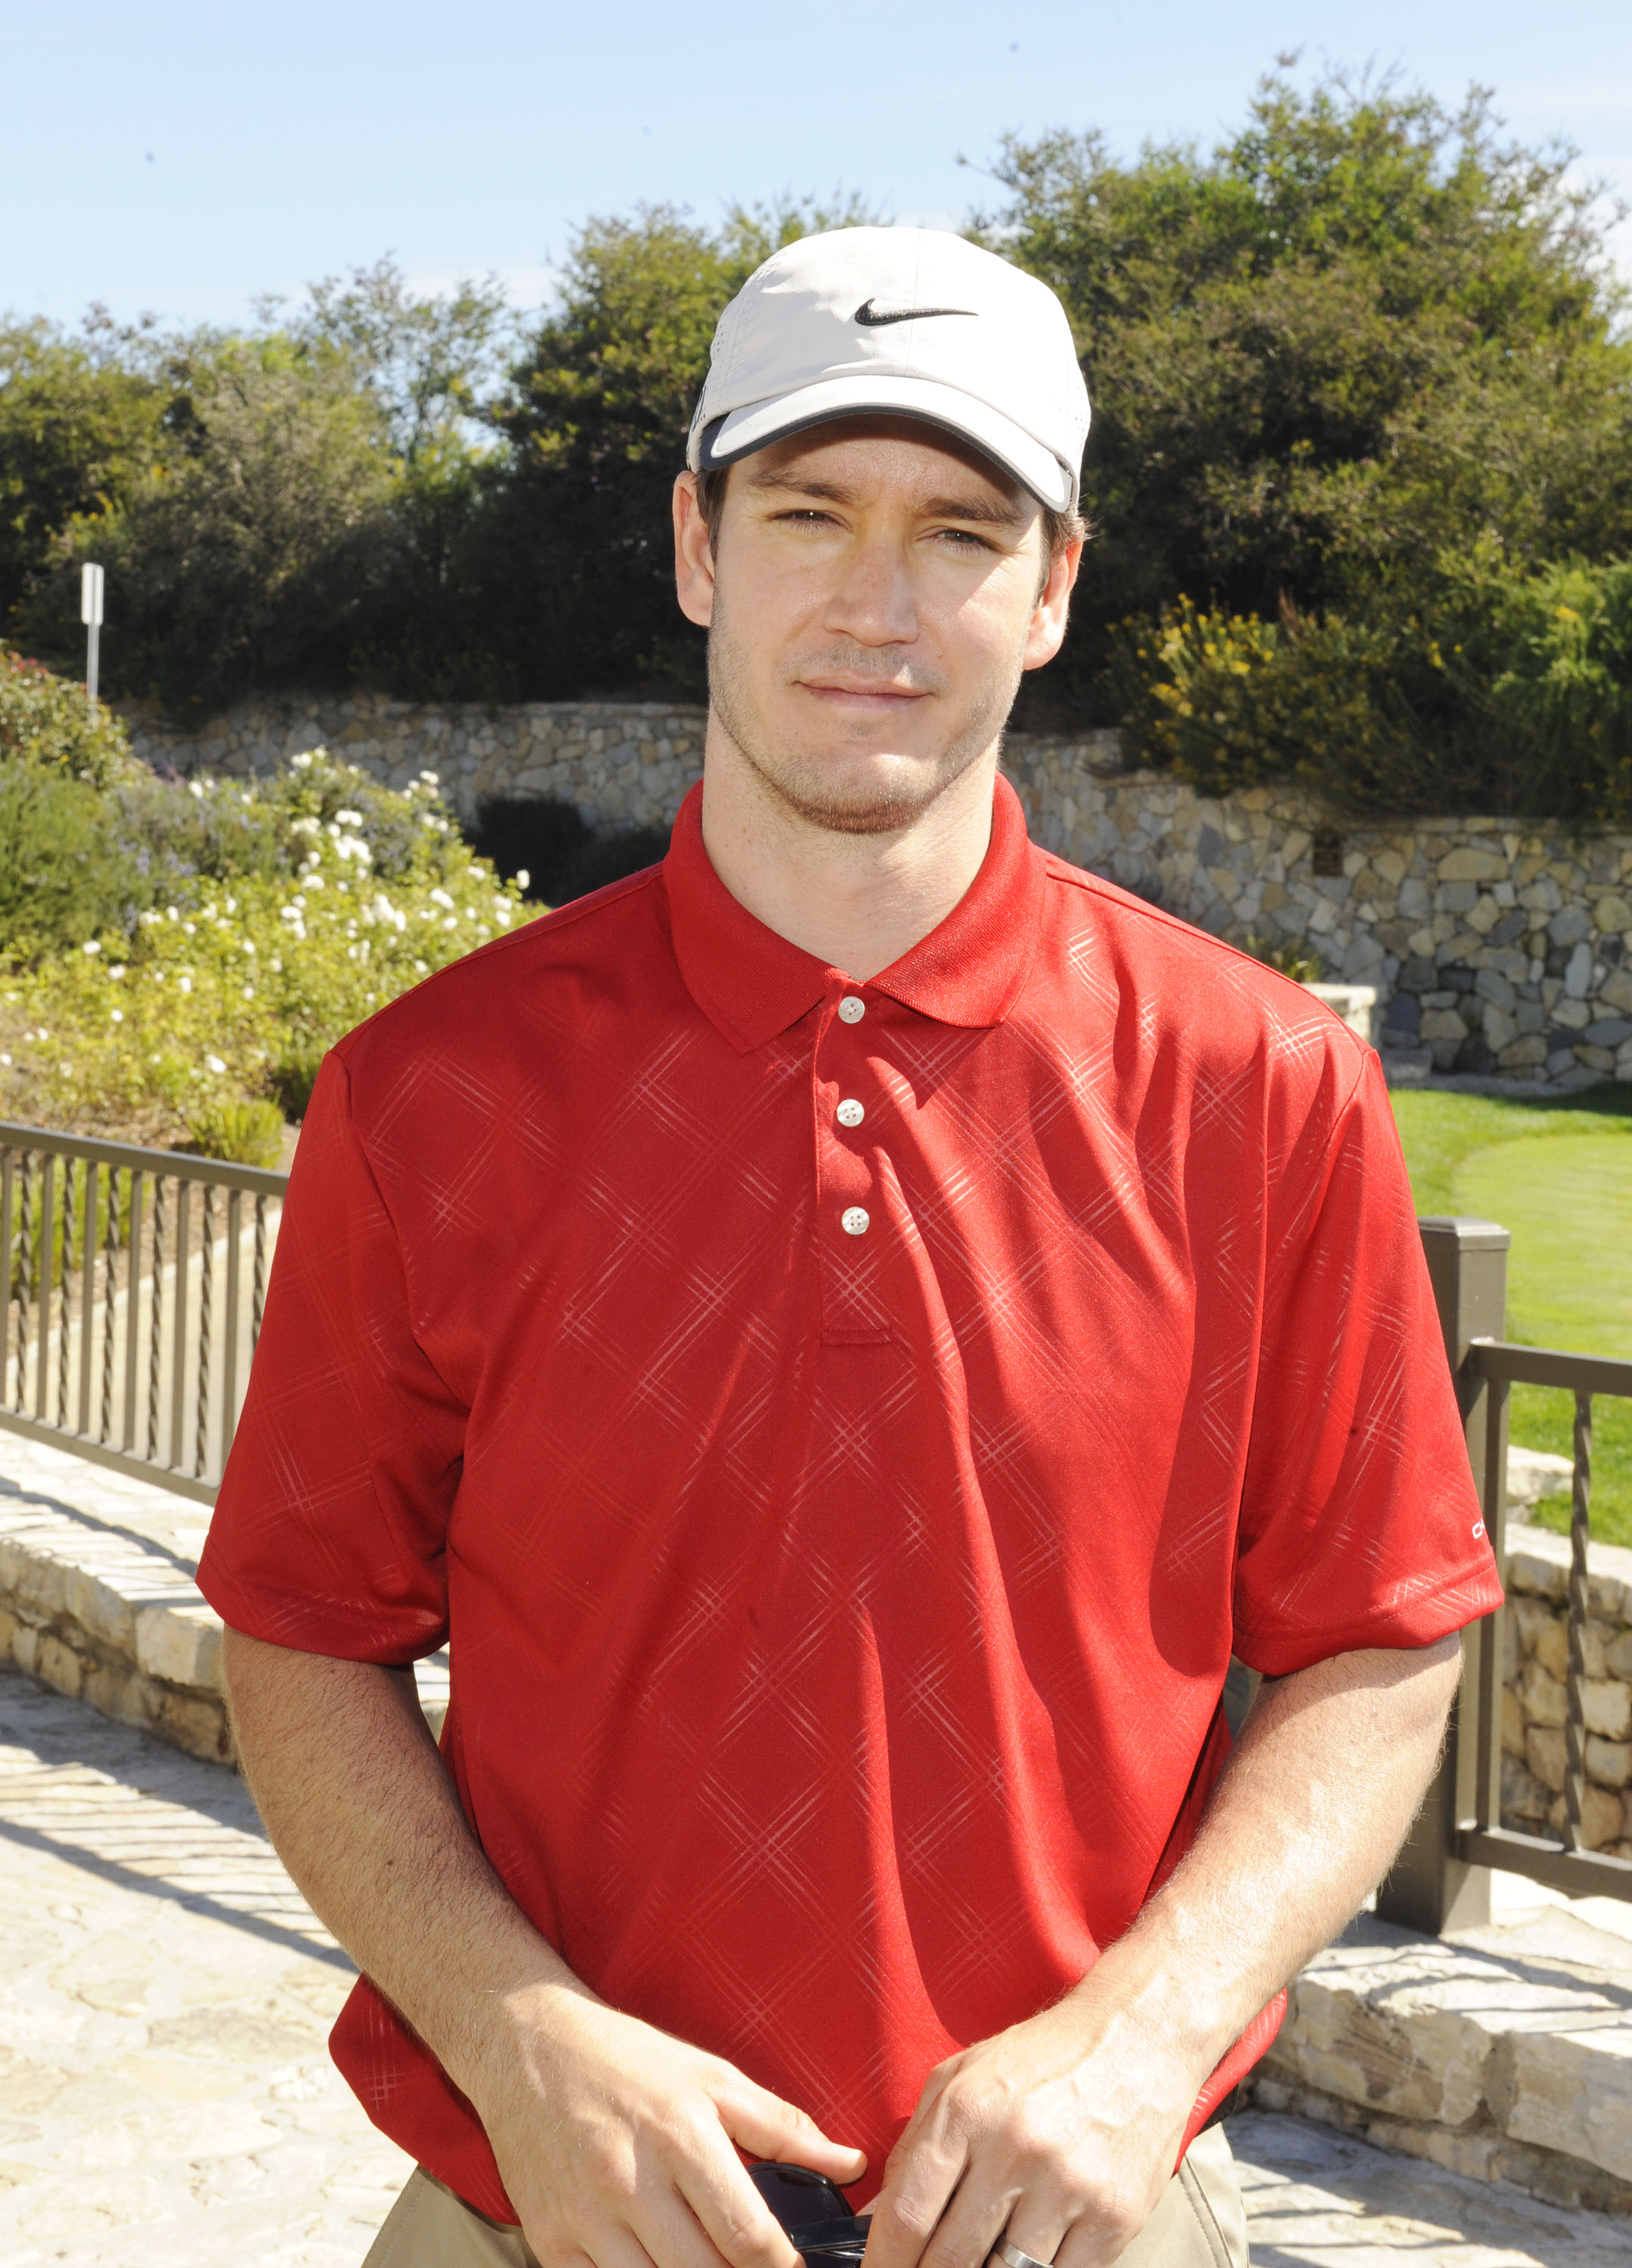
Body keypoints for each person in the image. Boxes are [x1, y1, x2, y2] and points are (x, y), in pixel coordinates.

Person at [200, 228, 1502, 2268]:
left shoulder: (1259, 1090)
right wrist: (521, 2035)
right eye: (810, 513)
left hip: (1084, 2209)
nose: (878, 603)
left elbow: (1384, 1634)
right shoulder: (427, 1094)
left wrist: (1136, 2050)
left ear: (1053, 589)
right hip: (537, 2203)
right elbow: (300, 1633)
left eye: (960, 532)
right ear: (698, 545)